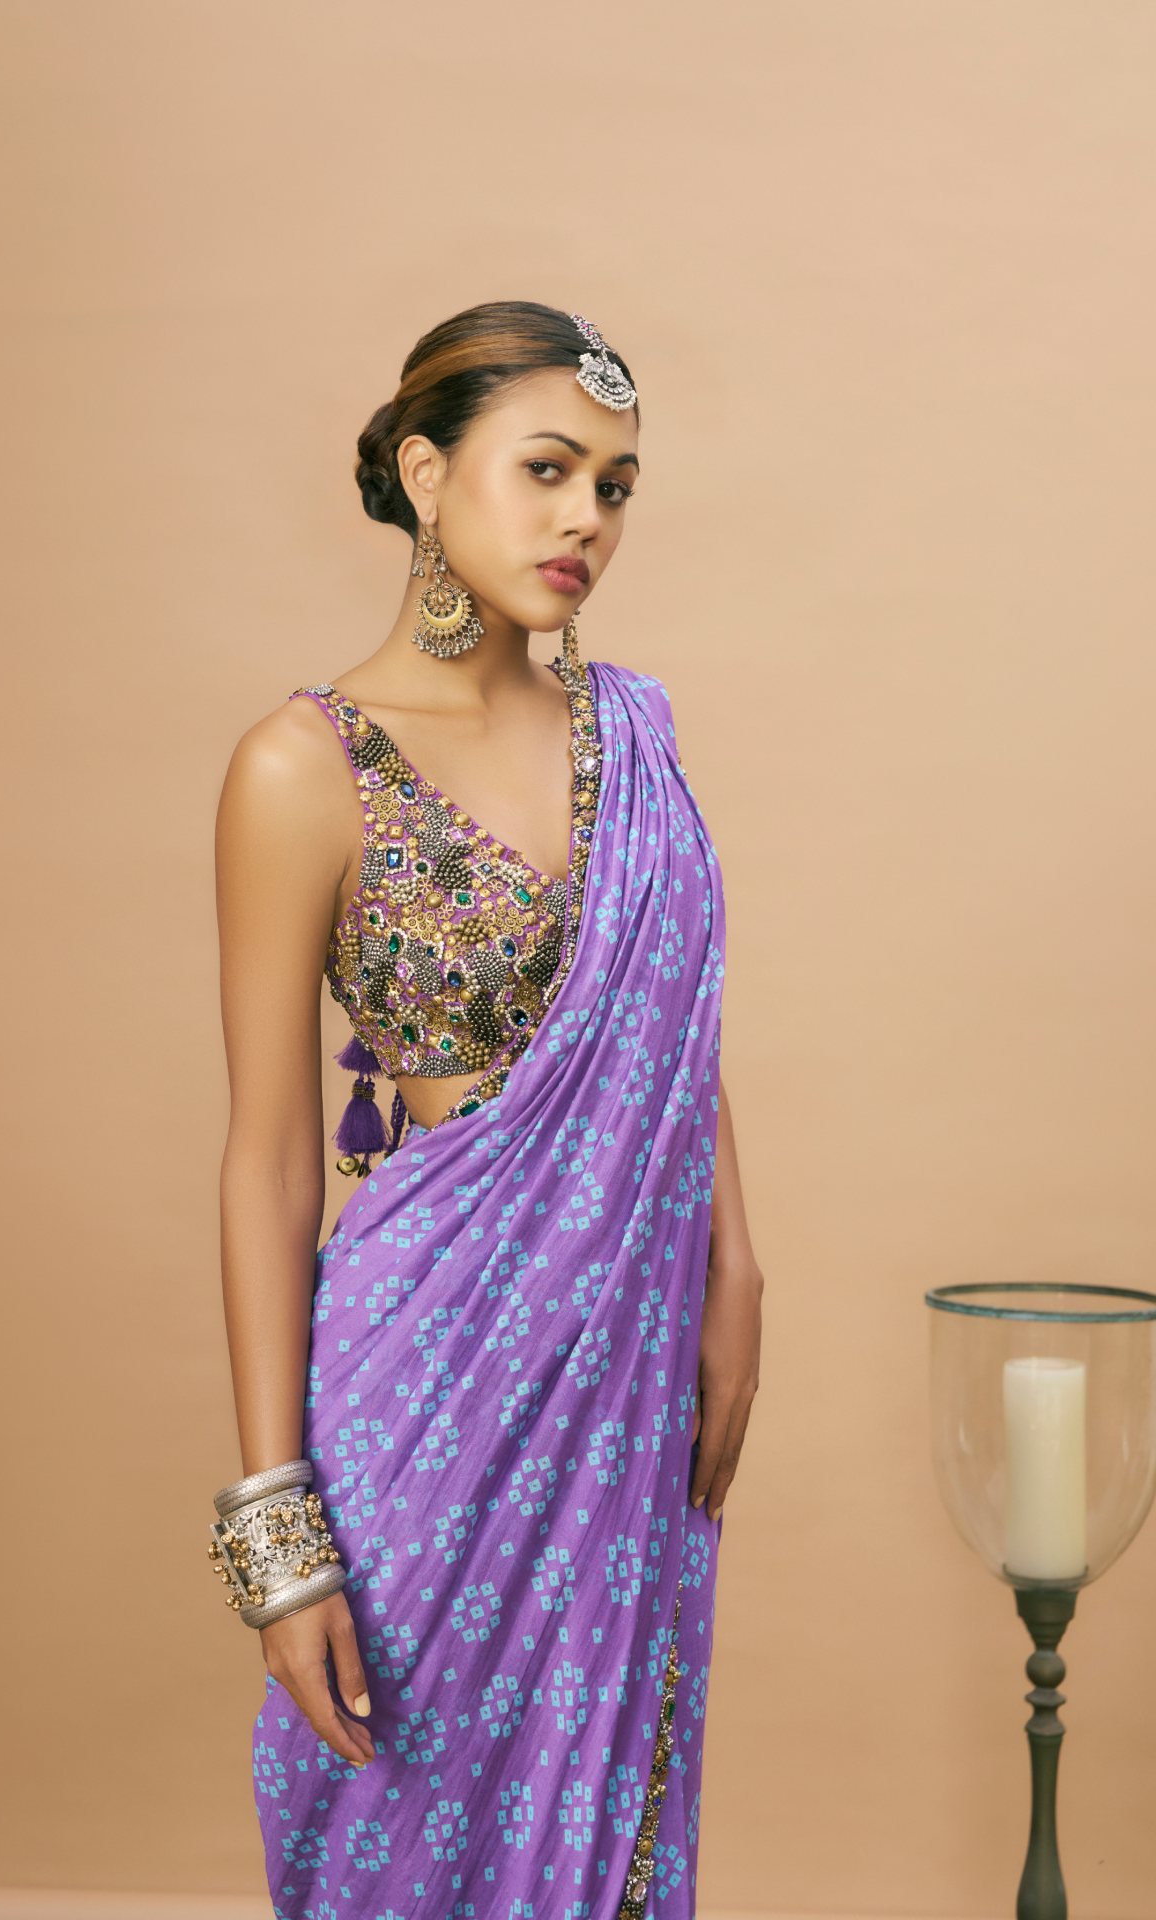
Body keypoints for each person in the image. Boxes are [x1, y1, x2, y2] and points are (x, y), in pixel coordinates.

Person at [211, 301, 763, 1920]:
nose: (588, 518)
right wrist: (276, 1538)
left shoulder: (635, 734)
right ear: (423, 471)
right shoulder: (304, 766)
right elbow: (268, 1161)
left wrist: (736, 1266)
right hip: (427, 1369)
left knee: (603, 1796)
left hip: (629, 1354)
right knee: (403, 1803)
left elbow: (672, 1023)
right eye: (548, 469)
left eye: (616, 486)